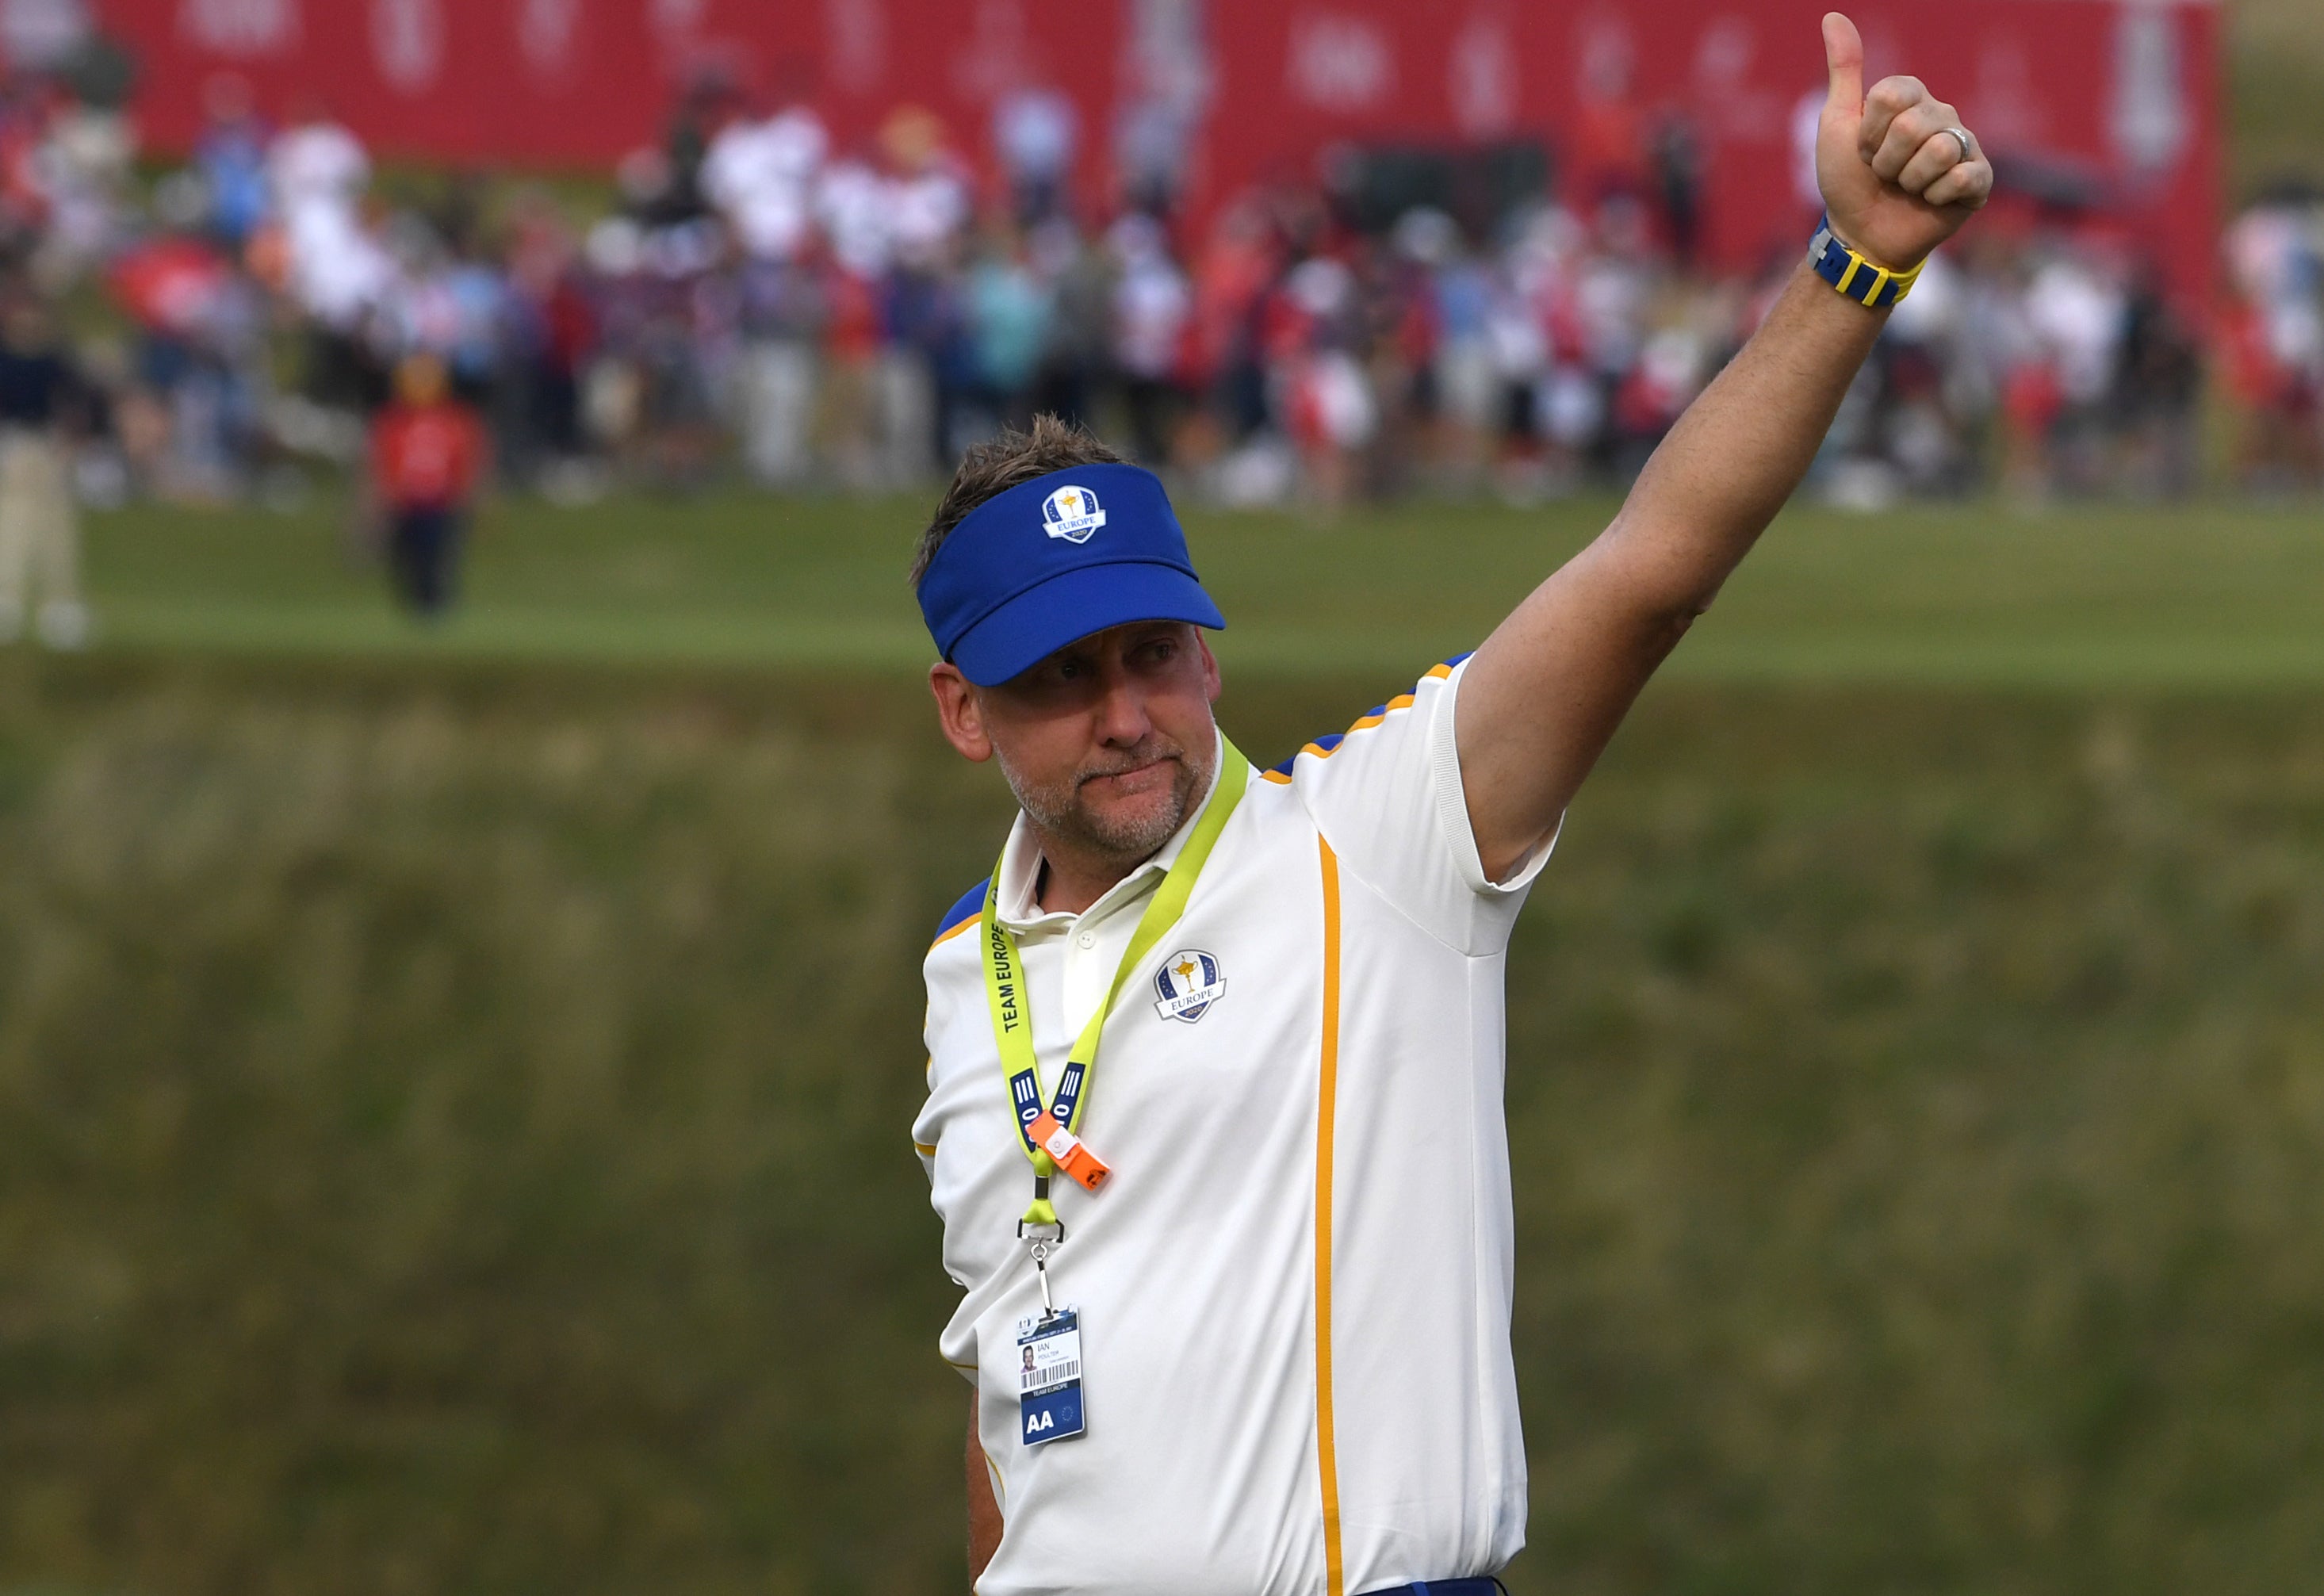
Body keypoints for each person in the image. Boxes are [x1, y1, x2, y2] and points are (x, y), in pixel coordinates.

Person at [909, 17, 1990, 1591]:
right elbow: (1012, 1384)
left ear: (1207, 647)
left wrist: (1856, 269)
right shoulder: (963, 974)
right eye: (1061, 680)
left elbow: (1649, 570)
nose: (1128, 714)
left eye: (1153, 653)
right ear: (961, 708)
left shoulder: (1373, 836)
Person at [369, 350, 485, 619]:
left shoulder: (454, 420)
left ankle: (436, 606)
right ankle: (415, 607)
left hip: (441, 502)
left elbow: (467, 460)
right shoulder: (394, 421)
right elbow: (383, 464)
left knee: (439, 556)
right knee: (408, 557)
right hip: (407, 502)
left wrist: (471, 496)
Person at [0, 294, 86, 647]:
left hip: (47, 445)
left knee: (55, 526)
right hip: (12, 444)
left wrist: (68, 444)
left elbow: (76, 404)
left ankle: (60, 606)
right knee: (14, 523)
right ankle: (8, 601)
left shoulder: (54, 361)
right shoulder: (5, 360)